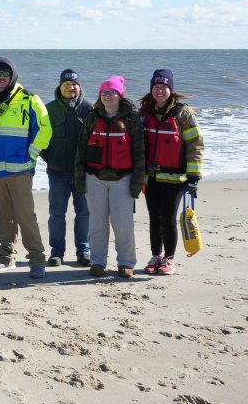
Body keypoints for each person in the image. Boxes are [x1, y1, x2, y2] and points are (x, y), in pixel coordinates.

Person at [0, 57, 51, 278]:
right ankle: (6, 258)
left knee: (25, 216)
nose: (2, 77)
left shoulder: (29, 99)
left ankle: (37, 259)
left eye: (6, 74)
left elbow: (45, 130)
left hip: (20, 169)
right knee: (3, 217)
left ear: (13, 76)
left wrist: (31, 156)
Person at [75, 76, 145, 279]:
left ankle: (125, 263)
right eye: (104, 92)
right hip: (94, 179)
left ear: (120, 95)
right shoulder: (91, 117)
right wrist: (80, 180)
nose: (108, 95)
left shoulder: (131, 119)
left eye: (112, 92)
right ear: (100, 96)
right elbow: (81, 151)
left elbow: (140, 152)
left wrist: (137, 183)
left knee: (123, 224)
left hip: (123, 180)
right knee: (97, 223)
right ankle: (98, 262)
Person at [139, 69, 204, 275]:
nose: (159, 91)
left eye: (164, 87)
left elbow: (196, 144)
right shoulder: (145, 112)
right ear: (151, 89)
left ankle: (169, 259)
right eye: (156, 87)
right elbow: (137, 144)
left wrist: (194, 176)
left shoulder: (184, 113)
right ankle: (155, 256)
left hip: (175, 178)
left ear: (171, 89)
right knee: (153, 218)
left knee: (168, 218)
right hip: (151, 177)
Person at [40, 69, 93, 267]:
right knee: (56, 214)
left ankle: (84, 250)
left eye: (74, 84)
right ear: (60, 87)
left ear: (79, 86)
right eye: (66, 84)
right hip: (57, 173)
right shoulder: (49, 109)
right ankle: (57, 252)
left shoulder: (90, 109)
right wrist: (51, 158)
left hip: (83, 174)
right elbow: (41, 140)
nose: (70, 88)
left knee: (84, 214)